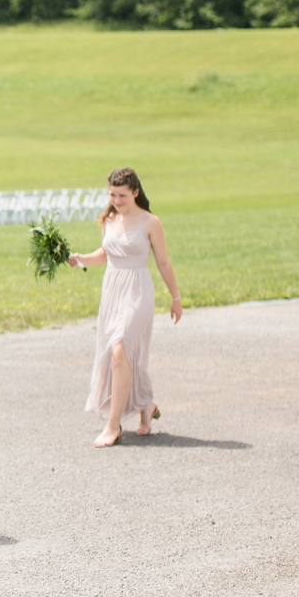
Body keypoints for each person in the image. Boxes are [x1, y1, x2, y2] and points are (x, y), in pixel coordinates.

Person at [68, 167, 182, 447]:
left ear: (135, 192)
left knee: (120, 350)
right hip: (113, 290)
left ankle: (112, 425)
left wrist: (175, 297)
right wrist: (81, 258)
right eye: (112, 195)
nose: (116, 200)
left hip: (138, 290)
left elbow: (163, 262)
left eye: (121, 195)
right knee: (122, 355)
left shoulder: (150, 222)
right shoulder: (109, 218)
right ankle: (145, 405)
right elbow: (106, 254)